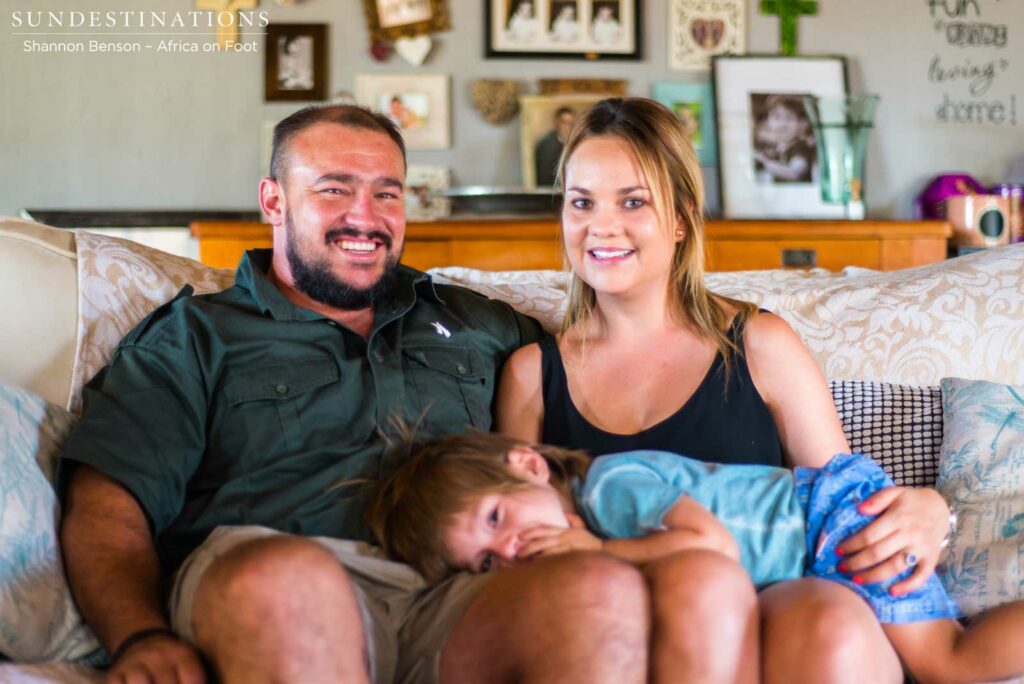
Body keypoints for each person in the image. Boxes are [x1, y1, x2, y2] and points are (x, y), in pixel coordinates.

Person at [58, 104, 649, 684]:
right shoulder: (195, 336)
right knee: (289, 579)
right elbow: (108, 505)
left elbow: (600, 393)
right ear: (273, 201)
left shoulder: (478, 323)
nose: (365, 218)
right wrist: (139, 636)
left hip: (454, 592)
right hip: (274, 578)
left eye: (387, 194)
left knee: (599, 586)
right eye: (335, 190)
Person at [496, 97, 956, 682]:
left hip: (782, 614)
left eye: (633, 201)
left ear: (682, 218)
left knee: (830, 622)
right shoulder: (532, 376)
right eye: (581, 202)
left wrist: (935, 514)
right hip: (620, 624)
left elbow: (843, 500)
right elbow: (520, 536)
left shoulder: (760, 344)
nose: (601, 226)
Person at [367, 430, 1024, 684]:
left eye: (496, 519)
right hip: (815, 545)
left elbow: (711, 548)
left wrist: (598, 548)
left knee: (949, 662)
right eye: (486, 563)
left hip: (832, 524)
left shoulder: (610, 488)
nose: (510, 551)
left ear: (530, 466)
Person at [753, 94, 817, 183]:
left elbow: (795, 173)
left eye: (789, 118)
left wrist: (765, 163)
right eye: (776, 117)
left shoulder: (800, 147)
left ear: (801, 124)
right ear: (768, 121)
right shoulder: (774, 148)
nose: (782, 124)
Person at [534, 107, 576, 187]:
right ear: (556, 123)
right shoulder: (547, 146)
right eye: (564, 122)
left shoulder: (571, 143)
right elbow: (545, 177)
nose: (568, 127)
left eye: (571, 124)